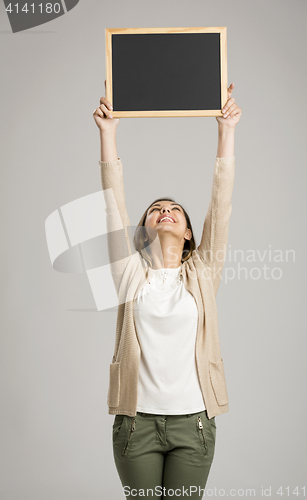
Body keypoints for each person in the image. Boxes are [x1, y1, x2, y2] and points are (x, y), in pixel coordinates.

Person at [93, 83, 242, 500]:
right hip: (136, 424)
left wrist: (226, 131)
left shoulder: (202, 275)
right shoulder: (129, 275)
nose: (165, 211)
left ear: (190, 231)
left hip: (192, 424)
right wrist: (108, 133)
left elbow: (221, 204)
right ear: (143, 230)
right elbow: (112, 205)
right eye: (156, 209)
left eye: (175, 209)